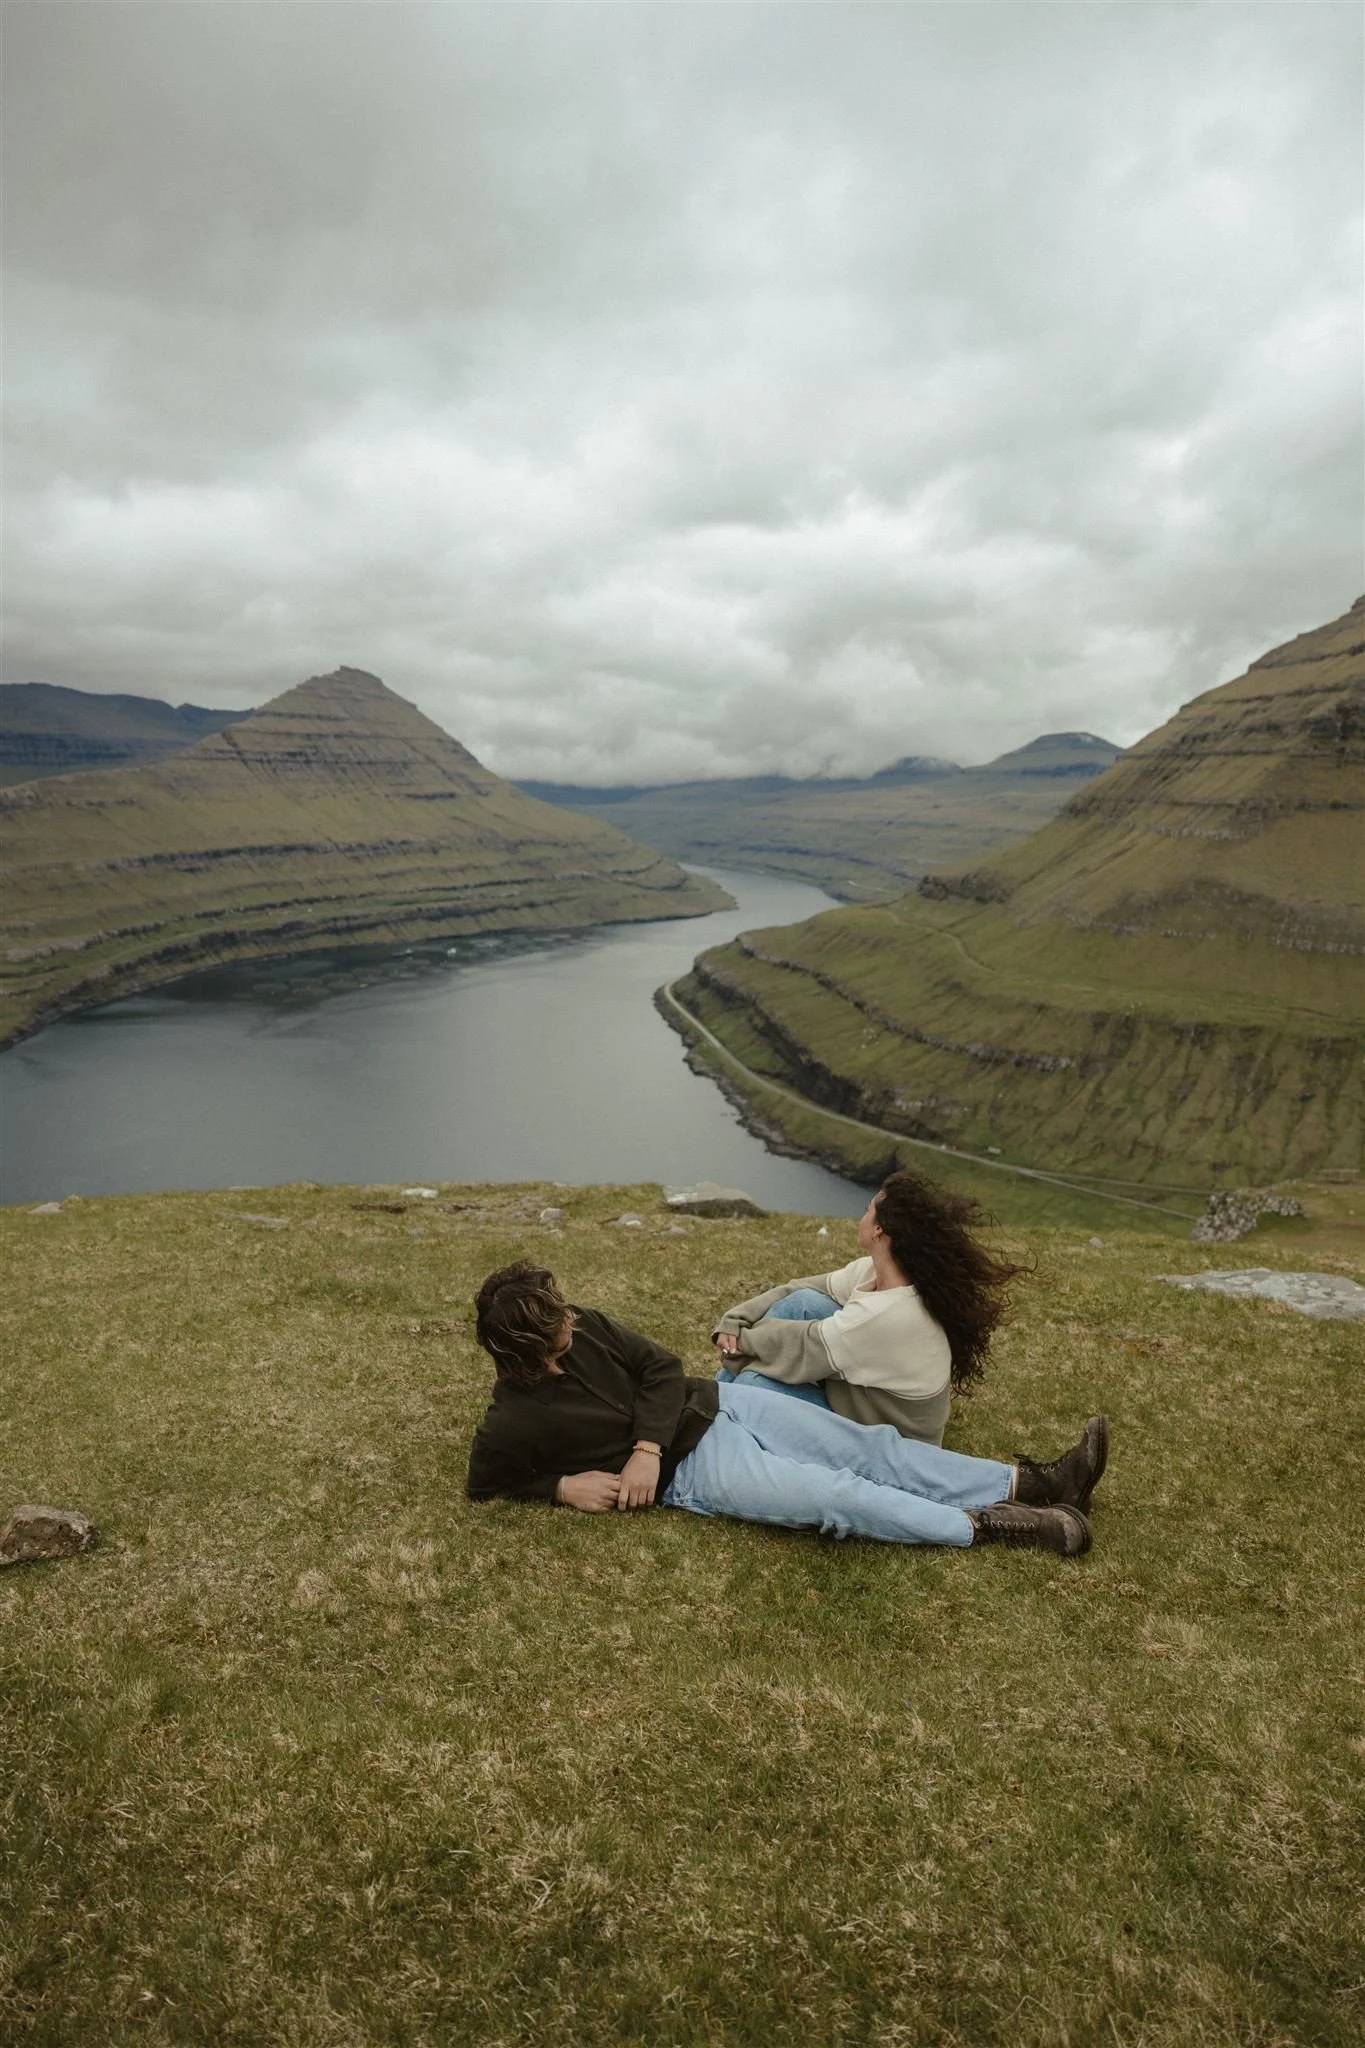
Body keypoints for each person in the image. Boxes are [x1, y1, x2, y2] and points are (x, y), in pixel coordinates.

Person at [466, 1262, 1109, 1557]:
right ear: (527, 1347)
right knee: (836, 1495)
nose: (572, 1321)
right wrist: (560, 1487)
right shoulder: (513, 1421)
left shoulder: (588, 1326)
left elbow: (660, 1367)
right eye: (557, 1323)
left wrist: (643, 1449)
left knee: (871, 1449)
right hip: (695, 1474)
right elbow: (483, 1482)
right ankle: (997, 1524)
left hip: (720, 1401)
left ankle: (1036, 1482)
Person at [712, 1169, 1026, 1445]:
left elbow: (805, 1346)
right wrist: (735, 1319)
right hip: (863, 1403)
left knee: (753, 1384)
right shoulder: (875, 1273)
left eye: (867, 1211)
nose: (861, 1218)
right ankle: (708, 1399)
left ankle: (705, 1411)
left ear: (879, 1230)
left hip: (891, 1442)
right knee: (804, 1303)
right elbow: (800, 1288)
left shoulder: (888, 1314)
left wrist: (740, 1345)